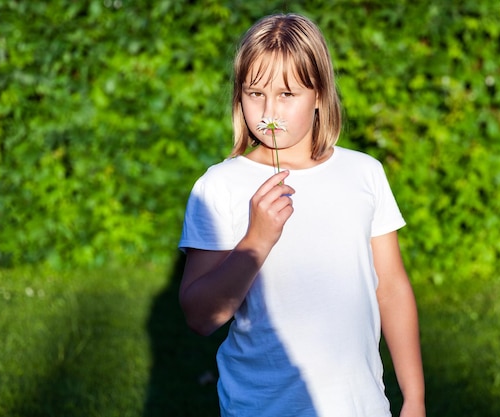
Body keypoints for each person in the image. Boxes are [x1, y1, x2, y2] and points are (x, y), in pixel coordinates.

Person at [178, 13, 425, 417]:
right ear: (238, 95)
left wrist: (414, 397)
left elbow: (392, 289)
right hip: (262, 407)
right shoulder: (219, 185)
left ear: (320, 96)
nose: (268, 111)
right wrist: (256, 240)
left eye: (287, 94)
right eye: (255, 93)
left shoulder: (364, 173)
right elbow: (200, 316)